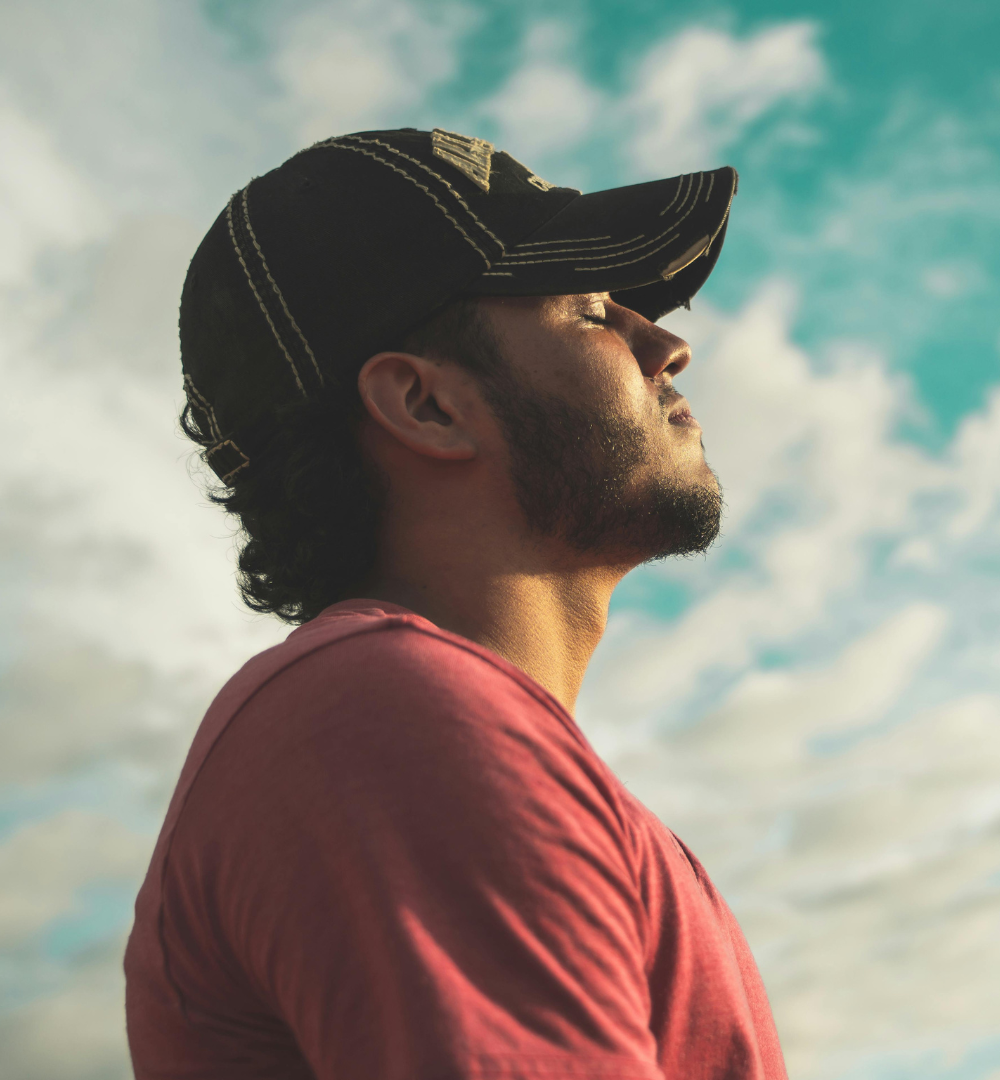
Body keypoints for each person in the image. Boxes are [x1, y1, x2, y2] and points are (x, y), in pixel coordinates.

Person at [123, 128, 786, 1080]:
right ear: (427, 406)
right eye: (594, 308)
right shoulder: (386, 713)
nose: (668, 344)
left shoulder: (413, 722)